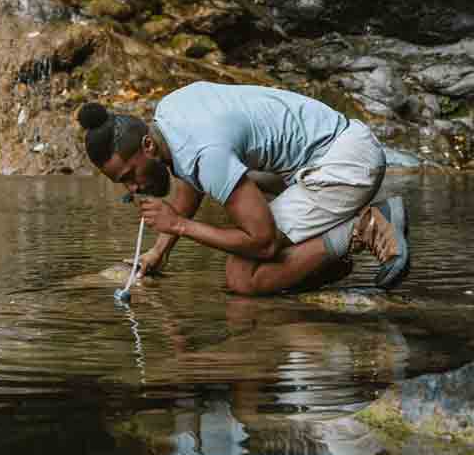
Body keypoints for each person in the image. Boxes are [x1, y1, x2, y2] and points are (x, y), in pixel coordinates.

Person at [77, 81, 410, 296]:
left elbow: (263, 242)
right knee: (244, 195)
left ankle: (363, 227)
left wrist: (179, 224)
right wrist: (159, 251)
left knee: (242, 275)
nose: (133, 188)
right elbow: (194, 178)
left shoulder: (207, 154)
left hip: (344, 164)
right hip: (332, 147)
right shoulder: (170, 113)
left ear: (148, 146)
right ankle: (325, 253)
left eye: (130, 175)